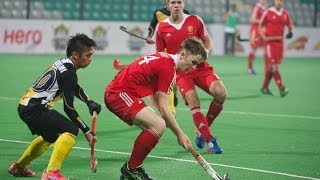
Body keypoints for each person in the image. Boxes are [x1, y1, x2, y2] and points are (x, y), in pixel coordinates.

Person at [105, 37, 207, 179]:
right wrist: (180, 134)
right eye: (194, 62)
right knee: (158, 125)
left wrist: (171, 124)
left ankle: (133, 169)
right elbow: (164, 107)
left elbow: (155, 99)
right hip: (119, 94)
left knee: (155, 126)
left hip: (122, 93)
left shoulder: (164, 58)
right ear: (183, 54)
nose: (194, 67)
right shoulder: (169, 68)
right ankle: (131, 168)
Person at [8, 33, 102, 180]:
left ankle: (18, 167)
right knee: (71, 129)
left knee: (50, 136)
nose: (90, 59)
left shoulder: (64, 64)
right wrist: (87, 130)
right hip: (35, 109)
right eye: (88, 55)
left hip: (26, 106)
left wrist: (88, 102)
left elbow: (72, 87)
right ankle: (52, 173)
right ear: (75, 55)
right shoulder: (69, 73)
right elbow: (69, 108)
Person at [156, 0, 227, 154]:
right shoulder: (161, 27)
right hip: (181, 72)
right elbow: (161, 54)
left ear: (183, 4)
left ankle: (203, 129)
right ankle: (210, 141)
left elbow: (207, 40)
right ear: (167, 5)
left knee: (221, 93)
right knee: (194, 101)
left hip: (200, 66)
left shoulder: (195, 20)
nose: (176, 5)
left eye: (179, 2)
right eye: (173, 2)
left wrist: (206, 53)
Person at [145, 0, 190, 116]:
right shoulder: (159, 13)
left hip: (180, 52)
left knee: (174, 79)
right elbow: (152, 26)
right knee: (166, 78)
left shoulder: (185, 13)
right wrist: (149, 36)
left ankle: (174, 93)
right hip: (165, 52)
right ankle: (171, 111)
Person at [259, 0, 293, 97]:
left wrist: (290, 32)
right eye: (278, 0)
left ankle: (264, 87)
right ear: (274, 1)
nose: (279, 2)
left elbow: (290, 25)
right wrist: (263, 35)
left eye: (281, 1)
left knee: (270, 67)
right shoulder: (268, 12)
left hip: (280, 43)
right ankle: (282, 88)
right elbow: (260, 26)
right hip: (270, 43)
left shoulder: (285, 13)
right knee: (274, 67)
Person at [247, 0, 267, 75]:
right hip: (255, 31)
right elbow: (252, 19)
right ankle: (249, 68)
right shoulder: (257, 7)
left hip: (262, 31)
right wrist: (262, 21)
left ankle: (267, 69)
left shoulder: (264, 8)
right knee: (254, 49)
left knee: (266, 49)